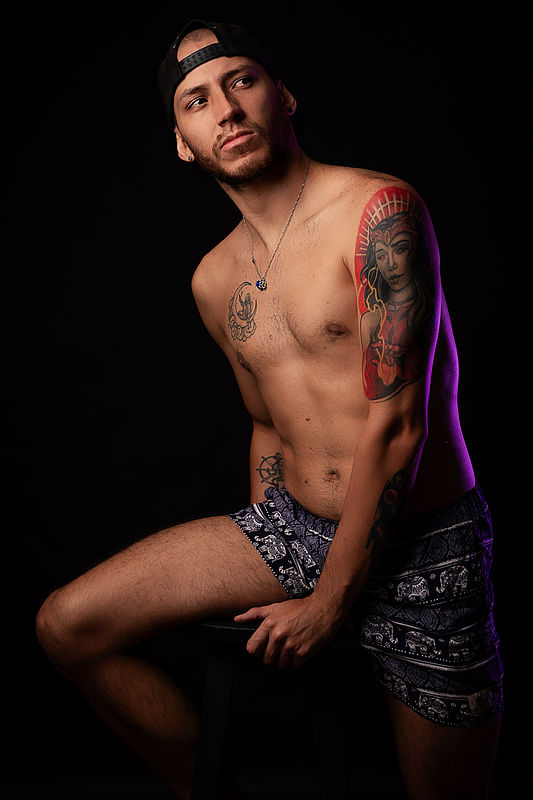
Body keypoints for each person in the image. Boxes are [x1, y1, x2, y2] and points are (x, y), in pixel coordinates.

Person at [36, 18, 503, 800]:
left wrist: (327, 604)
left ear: (282, 97)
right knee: (66, 625)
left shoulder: (377, 212)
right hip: (295, 527)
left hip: (424, 547)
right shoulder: (213, 279)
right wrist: (275, 557)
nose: (224, 108)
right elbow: (265, 422)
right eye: (195, 100)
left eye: (241, 81)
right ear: (182, 142)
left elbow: (399, 426)